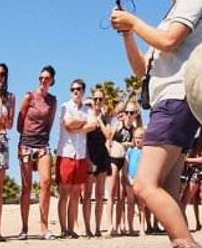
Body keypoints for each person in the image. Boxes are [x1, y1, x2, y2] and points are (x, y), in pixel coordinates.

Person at [110, 0, 202, 248]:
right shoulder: (174, 12)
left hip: (175, 100)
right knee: (168, 191)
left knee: (144, 185)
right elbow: (143, 69)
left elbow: (169, 42)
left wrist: (134, 21)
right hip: (172, 103)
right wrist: (128, 35)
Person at [16, 65, 58, 240]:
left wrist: (42, 141)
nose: (43, 81)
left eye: (46, 78)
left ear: (52, 81)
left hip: (42, 145)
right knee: (26, 187)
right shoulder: (29, 96)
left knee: (46, 183)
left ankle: (44, 227)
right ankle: (24, 228)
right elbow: (20, 122)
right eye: (41, 78)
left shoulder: (52, 101)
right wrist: (26, 139)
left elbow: (50, 123)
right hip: (26, 143)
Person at [55, 79, 93, 239]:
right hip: (66, 153)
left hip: (81, 155)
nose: (75, 91)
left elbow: (93, 125)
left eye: (78, 89)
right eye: (73, 89)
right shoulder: (65, 107)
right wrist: (82, 124)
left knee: (76, 193)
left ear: (83, 91)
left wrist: (78, 126)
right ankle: (64, 229)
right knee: (64, 193)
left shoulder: (87, 109)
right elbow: (68, 124)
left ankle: (71, 229)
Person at [82, 87, 113, 238]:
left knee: (100, 194)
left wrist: (100, 120)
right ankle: (87, 227)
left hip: (102, 154)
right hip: (89, 153)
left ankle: (98, 228)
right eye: (95, 99)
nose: (98, 101)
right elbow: (83, 133)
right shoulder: (86, 115)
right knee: (87, 193)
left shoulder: (105, 118)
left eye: (100, 99)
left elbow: (108, 135)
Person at [108, 100, 139, 236]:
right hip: (115, 158)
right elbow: (108, 141)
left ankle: (120, 225)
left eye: (131, 113)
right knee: (111, 193)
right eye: (127, 113)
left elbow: (136, 144)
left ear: (135, 114)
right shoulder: (118, 125)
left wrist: (128, 144)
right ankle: (110, 225)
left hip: (125, 161)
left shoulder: (133, 129)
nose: (128, 115)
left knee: (121, 195)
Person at [0, 63, 14, 241]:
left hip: (1, 140)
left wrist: (4, 113)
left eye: (2, 75)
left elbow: (9, 125)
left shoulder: (9, 98)